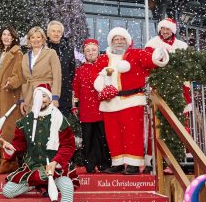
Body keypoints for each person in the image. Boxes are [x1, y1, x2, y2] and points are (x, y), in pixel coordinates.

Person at [1, 85, 77, 202]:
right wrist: (12, 148)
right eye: (38, 96)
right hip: (33, 166)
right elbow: (21, 145)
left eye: (44, 97)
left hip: (55, 167)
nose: (41, 100)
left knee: (68, 188)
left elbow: (68, 145)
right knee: (7, 191)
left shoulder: (60, 119)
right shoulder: (25, 122)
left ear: (50, 99)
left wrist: (56, 162)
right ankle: (38, 181)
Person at [93, 27, 167, 174]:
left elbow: (151, 61)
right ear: (111, 42)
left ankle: (134, 163)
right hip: (109, 102)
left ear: (127, 41)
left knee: (132, 133)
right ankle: (118, 163)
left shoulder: (136, 54)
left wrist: (158, 55)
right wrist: (102, 88)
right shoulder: (103, 58)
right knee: (113, 134)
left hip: (131, 100)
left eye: (122, 39)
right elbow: (95, 77)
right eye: (116, 39)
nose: (119, 42)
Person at [72, 39, 111, 174]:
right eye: (88, 50)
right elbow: (76, 89)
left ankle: (104, 163)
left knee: (102, 137)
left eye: (93, 50)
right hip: (86, 110)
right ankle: (89, 164)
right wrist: (75, 106)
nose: (91, 53)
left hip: (102, 108)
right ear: (84, 53)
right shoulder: (80, 70)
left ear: (98, 51)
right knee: (87, 138)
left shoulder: (104, 67)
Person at [0, 26, 23, 172]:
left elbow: (19, 75)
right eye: (4, 34)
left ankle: (9, 162)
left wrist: (11, 82)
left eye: (9, 35)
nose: (6, 37)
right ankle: (4, 160)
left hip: (8, 95)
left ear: (14, 37)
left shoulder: (17, 53)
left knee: (8, 130)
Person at [145, 18, 190, 112]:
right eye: (163, 29)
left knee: (180, 113)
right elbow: (148, 64)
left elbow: (187, 64)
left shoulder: (182, 45)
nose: (165, 32)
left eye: (167, 29)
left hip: (178, 84)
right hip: (159, 84)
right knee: (160, 113)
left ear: (172, 31)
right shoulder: (152, 44)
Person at [20, 26, 61, 114]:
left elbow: (57, 76)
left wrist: (55, 97)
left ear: (43, 39)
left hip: (45, 95)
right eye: (33, 37)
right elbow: (23, 80)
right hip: (29, 96)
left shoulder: (51, 53)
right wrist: (22, 100)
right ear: (29, 40)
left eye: (38, 37)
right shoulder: (25, 57)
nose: (36, 40)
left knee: (45, 125)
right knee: (31, 125)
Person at [46, 20, 76, 114]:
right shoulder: (43, 49)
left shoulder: (68, 50)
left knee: (62, 124)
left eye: (59, 31)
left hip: (64, 94)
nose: (56, 34)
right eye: (53, 31)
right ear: (48, 33)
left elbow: (72, 71)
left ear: (62, 34)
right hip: (46, 91)